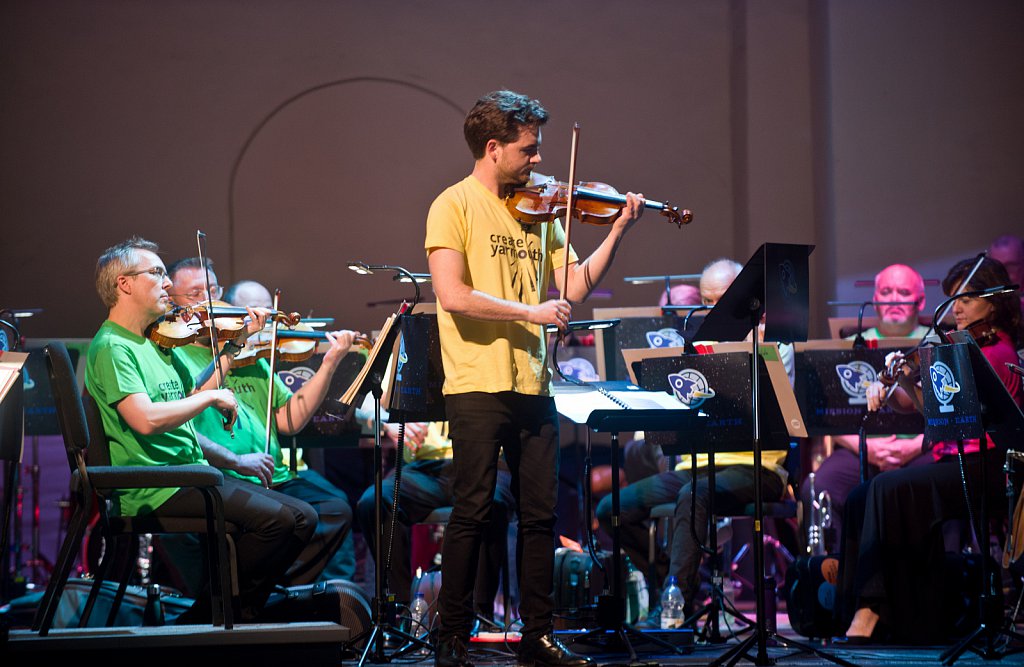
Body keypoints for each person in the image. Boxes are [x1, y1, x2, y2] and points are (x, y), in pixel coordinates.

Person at [425, 89, 645, 667]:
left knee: (541, 515)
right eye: (529, 149)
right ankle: (449, 637)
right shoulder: (453, 205)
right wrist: (530, 312)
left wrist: (617, 231)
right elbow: (452, 294)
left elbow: (571, 287)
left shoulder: (540, 208)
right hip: (475, 382)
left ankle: (537, 636)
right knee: (472, 510)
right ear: (493, 148)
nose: (539, 161)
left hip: (531, 382)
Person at [84, 237, 317, 622]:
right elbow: (146, 419)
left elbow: (193, 394)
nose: (167, 284)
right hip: (157, 485)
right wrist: (213, 399)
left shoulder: (155, 343)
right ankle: (219, 614)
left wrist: (235, 345)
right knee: (276, 521)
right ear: (124, 284)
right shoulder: (112, 347)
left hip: (190, 473)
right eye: (156, 273)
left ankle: (229, 611)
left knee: (304, 516)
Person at [595, 257, 792, 624]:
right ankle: (671, 588)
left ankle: (675, 608)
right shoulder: (694, 344)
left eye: (722, 299)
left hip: (756, 466)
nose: (712, 309)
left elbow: (778, 409)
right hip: (695, 466)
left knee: (695, 493)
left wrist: (752, 351)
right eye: (706, 300)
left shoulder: (775, 342)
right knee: (612, 508)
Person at [841, 256, 1022, 644]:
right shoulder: (962, 346)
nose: (955, 307)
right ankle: (857, 606)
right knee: (860, 495)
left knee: (890, 488)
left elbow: (950, 417)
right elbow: (926, 411)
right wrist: (904, 381)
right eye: (953, 298)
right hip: (955, 458)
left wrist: (913, 383)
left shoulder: (995, 351)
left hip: (987, 463)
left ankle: (875, 608)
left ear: (992, 304)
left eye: (967, 299)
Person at [163, 259, 358, 587]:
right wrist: (233, 346)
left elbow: (288, 420)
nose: (209, 301)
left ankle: (314, 598)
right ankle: (260, 593)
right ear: (174, 301)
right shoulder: (178, 355)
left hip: (273, 475)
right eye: (195, 293)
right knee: (288, 519)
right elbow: (187, 408)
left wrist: (329, 363)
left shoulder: (250, 356)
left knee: (336, 509)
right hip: (225, 476)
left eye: (213, 291)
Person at [799, 264, 932, 548]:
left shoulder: (935, 343)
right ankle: (835, 574)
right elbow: (827, 416)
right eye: (886, 291)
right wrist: (869, 450)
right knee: (820, 485)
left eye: (903, 292)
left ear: (920, 301)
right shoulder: (848, 345)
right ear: (875, 297)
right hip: (863, 449)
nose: (894, 299)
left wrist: (913, 447)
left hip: (923, 448)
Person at [354, 409, 513, 624]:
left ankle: (480, 614)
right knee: (373, 503)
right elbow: (361, 405)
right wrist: (385, 425)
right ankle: (401, 612)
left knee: (491, 503)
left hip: (485, 461)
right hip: (423, 468)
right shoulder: (410, 372)